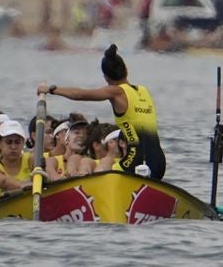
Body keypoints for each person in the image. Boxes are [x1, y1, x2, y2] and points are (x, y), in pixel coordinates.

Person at [39, 45, 166, 178]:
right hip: (159, 162)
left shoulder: (116, 92)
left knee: (100, 171)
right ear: (126, 71)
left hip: (134, 162)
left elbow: (79, 95)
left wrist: (50, 89)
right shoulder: (144, 91)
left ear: (106, 77)